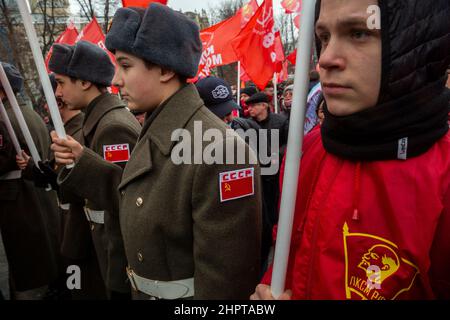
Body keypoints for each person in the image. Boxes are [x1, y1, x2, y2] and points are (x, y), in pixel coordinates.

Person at [51, 3, 262, 300]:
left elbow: (225, 279)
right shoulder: (160, 127)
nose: (115, 80)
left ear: (164, 69)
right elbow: (137, 198)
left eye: (125, 66)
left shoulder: (220, 149)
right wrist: (82, 163)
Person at [251, 0, 450, 300]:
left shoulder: (443, 174)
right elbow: (285, 258)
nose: (327, 59)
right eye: (324, 37)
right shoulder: (307, 150)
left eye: (358, 33)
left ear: (413, 39)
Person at [48, 41, 142, 299]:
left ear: (85, 82)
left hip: (114, 250)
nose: (58, 92)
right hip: (99, 243)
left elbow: (127, 199)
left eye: (62, 83)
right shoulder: (100, 119)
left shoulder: (112, 127)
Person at [0, 62, 59, 299]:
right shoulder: (30, 114)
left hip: (19, 201)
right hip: (38, 195)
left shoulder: (5, 118)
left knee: (25, 268)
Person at [245, 92, 289, 271]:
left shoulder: (281, 121)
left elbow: (291, 143)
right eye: (248, 106)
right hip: (258, 175)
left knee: (276, 206)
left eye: (253, 106)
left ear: (264, 105)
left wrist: (275, 155)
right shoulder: (247, 124)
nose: (249, 109)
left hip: (277, 175)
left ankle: (278, 238)